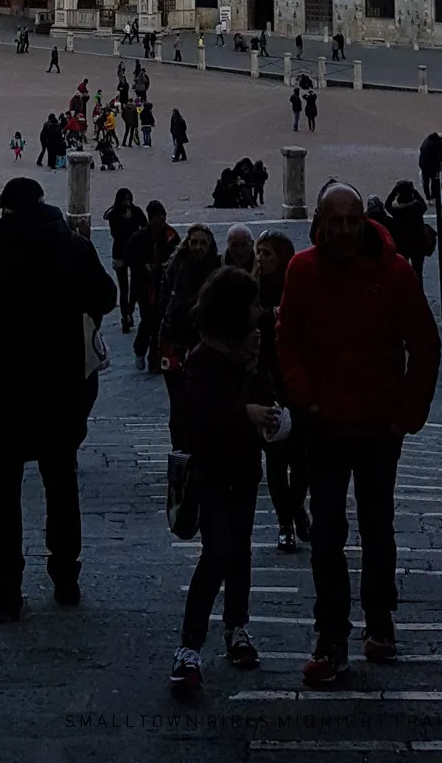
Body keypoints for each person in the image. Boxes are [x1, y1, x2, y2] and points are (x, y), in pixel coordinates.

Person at [277, 181, 442, 686]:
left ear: (363, 223)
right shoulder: (301, 270)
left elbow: (426, 345)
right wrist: (305, 398)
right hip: (325, 424)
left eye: (351, 221)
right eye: (335, 222)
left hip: (377, 425)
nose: (344, 231)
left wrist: (407, 415)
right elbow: (288, 341)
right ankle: (331, 637)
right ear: (320, 225)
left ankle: (379, 620)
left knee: (377, 527)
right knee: (327, 533)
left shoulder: (393, 274)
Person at [0, 176, 116, 617]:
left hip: (8, 387)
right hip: (61, 385)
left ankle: (9, 583)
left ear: (8, 213)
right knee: (61, 479)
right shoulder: (74, 248)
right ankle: (66, 574)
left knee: (4, 490)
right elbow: (107, 296)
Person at [168, 266, 285, 693]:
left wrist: (271, 418)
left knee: (239, 553)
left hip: (244, 468)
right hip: (212, 471)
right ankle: (189, 646)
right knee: (217, 553)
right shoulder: (204, 357)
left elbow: (267, 395)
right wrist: (246, 414)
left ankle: (237, 627)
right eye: (253, 305)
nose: (260, 313)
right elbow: (197, 419)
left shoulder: (252, 353)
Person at [255, 230, 307, 550]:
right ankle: (285, 523)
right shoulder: (251, 289)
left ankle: (295, 507)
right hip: (265, 385)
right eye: (258, 252)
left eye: (267, 253)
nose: (260, 259)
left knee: (302, 463)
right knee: (275, 459)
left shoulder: (298, 289)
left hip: (297, 384)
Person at [156, 224, 220, 403]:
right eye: (194, 243)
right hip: (174, 338)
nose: (198, 247)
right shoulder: (176, 266)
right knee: (176, 396)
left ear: (209, 245)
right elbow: (165, 290)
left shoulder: (215, 269)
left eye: (203, 243)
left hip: (203, 340)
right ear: (187, 244)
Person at [127, 201, 180, 372]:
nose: (162, 220)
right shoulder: (139, 238)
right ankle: (141, 350)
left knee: (158, 322)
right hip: (144, 287)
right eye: (158, 217)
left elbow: (176, 259)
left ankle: (154, 359)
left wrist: (164, 266)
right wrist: (144, 267)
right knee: (148, 320)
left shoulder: (171, 236)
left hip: (163, 287)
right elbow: (131, 259)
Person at [103, 188, 147, 334]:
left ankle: (129, 311)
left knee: (134, 286)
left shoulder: (136, 211)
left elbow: (145, 228)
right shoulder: (114, 214)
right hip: (120, 253)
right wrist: (124, 221)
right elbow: (115, 234)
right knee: (124, 288)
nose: (126, 203)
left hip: (134, 254)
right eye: (124, 200)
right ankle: (125, 317)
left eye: (128, 199)